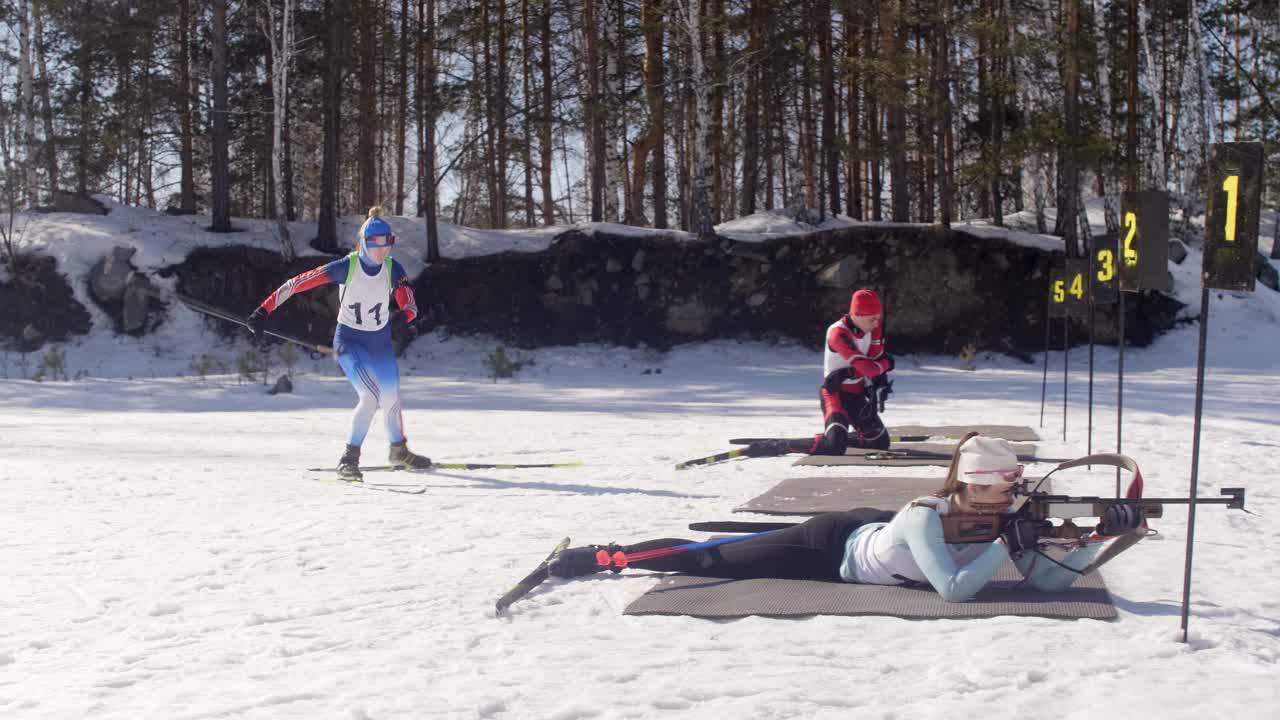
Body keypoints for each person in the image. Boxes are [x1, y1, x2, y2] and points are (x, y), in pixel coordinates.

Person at [547, 434, 1144, 602]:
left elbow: (1045, 583)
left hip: (874, 529)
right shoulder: (926, 517)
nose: (1011, 499)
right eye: (1002, 488)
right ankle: (606, 556)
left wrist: (1098, 541)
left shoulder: (1006, 518)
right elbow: (955, 590)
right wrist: (1007, 542)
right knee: (712, 559)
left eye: (1015, 488)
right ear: (974, 485)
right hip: (831, 546)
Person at [246, 206, 431, 480]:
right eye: (376, 244)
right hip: (350, 341)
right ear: (364, 243)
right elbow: (298, 283)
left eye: (387, 243)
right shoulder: (347, 266)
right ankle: (349, 458)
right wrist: (263, 310)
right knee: (371, 397)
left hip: (379, 342)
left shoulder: (393, 268)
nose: (382, 250)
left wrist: (403, 318)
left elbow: (410, 304)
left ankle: (398, 450)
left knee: (391, 396)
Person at [806, 288, 894, 455]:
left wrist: (876, 368)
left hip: (857, 394)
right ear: (858, 315)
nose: (876, 323)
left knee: (881, 444)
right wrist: (885, 364)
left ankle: (841, 436)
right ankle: (784, 445)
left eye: (878, 318)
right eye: (872, 319)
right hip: (835, 394)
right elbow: (869, 367)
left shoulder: (874, 326)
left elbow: (875, 360)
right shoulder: (838, 333)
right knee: (834, 447)